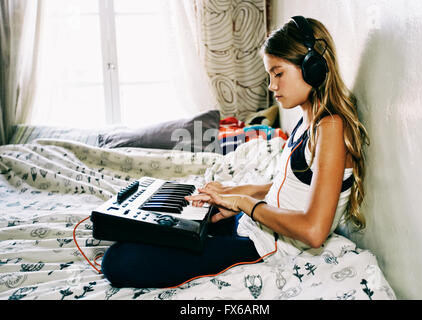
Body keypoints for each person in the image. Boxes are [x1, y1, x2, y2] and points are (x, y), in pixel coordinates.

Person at [101, 16, 369, 289]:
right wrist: (231, 194)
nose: (272, 86)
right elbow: (291, 188)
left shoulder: (332, 127)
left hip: (264, 246)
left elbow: (313, 231)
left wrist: (244, 203)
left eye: (278, 73)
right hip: (256, 226)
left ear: (313, 68)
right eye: (269, 76)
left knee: (118, 261)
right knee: (149, 229)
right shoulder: (308, 121)